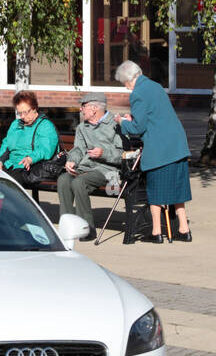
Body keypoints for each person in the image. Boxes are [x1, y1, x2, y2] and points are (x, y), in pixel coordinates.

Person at [115, 60, 192, 243]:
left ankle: (156, 232)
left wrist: (122, 121)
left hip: (160, 147)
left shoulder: (138, 93)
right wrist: (133, 118)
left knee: (155, 191)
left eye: (124, 83)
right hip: (177, 144)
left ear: (129, 80)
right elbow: (153, 114)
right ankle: (184, 229)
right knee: (177, 189)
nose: (126, 88)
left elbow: (137, 128)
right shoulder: (155, 86)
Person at [59, 91, 124, 238]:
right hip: (86, 168)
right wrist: (72, 160)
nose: (81, 109)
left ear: (94, 108)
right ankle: (68, 225)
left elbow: (123, 155)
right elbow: (78, 150)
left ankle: (87, 229)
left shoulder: (115, 124)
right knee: (63, 180)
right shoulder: (83, 127)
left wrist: (104, 153)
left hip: (109, 170)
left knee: (79, 183)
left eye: (83, 106)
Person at [0, 90, 59, 188]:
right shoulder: (15, 124)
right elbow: (6, 145)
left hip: (30, 166)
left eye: (25, 112)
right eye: (19, 113)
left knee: (8, 186)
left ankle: (9, 203)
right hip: (10, 164)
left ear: (34, 108)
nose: (22, 116)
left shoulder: (45, 125)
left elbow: (46, 149)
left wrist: (31, 158)